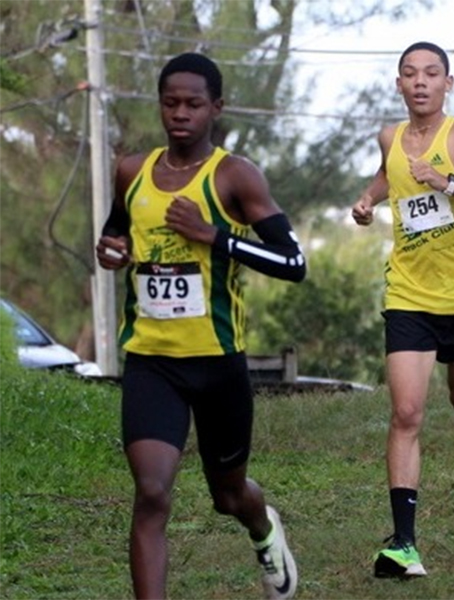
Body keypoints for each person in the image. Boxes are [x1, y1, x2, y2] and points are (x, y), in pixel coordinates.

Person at [96, 52, 305, 600]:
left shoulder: (236, 176)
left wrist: (216, 236)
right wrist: (112, 249)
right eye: (170, 103)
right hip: (151, 362)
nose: (180, 114)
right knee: (151, 492)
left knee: (228, 496)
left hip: (217, 365)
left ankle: (263, 529)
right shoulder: (131, 171)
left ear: (216, 107)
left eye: (193, 103)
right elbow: (118, 232)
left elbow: (293, 262)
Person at [351, 41, 454, 578]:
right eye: (410, 73)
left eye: (430, 73)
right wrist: (368, 200)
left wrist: (447, 182)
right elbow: (390, 174)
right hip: (408, 296)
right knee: (406, 413)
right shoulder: (390, 137)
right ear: (398, 84)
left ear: (448, 83)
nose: (420, 81)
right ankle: (404, 544)